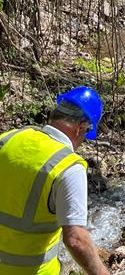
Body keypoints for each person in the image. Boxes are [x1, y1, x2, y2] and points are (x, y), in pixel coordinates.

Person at [0, 85, 110, 275]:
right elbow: (76, 240)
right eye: (85, 134)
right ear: (80, 127)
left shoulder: (9, 138)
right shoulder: (69, 167)